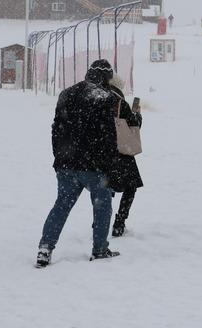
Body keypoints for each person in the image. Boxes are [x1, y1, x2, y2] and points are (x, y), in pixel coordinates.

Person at [36, 59, 121, 267]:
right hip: (95, 166)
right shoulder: (106, 98)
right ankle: (99, 249)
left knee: (61, 206)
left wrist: (59, 157)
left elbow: (56, 129)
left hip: (66, 164)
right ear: (106, 78)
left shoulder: (66, 93)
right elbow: (110, 136)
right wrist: (111, 165)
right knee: (102, 207)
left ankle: (45, 249)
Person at [107, 74, 144, 237]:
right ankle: (119, 223)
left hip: (101, 151)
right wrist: (137, 116)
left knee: (105, 188)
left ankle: (99, 222)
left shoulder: (98, 98)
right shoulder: (121, 103)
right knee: (130, 186)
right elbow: (133, 127)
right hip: (122, 153)